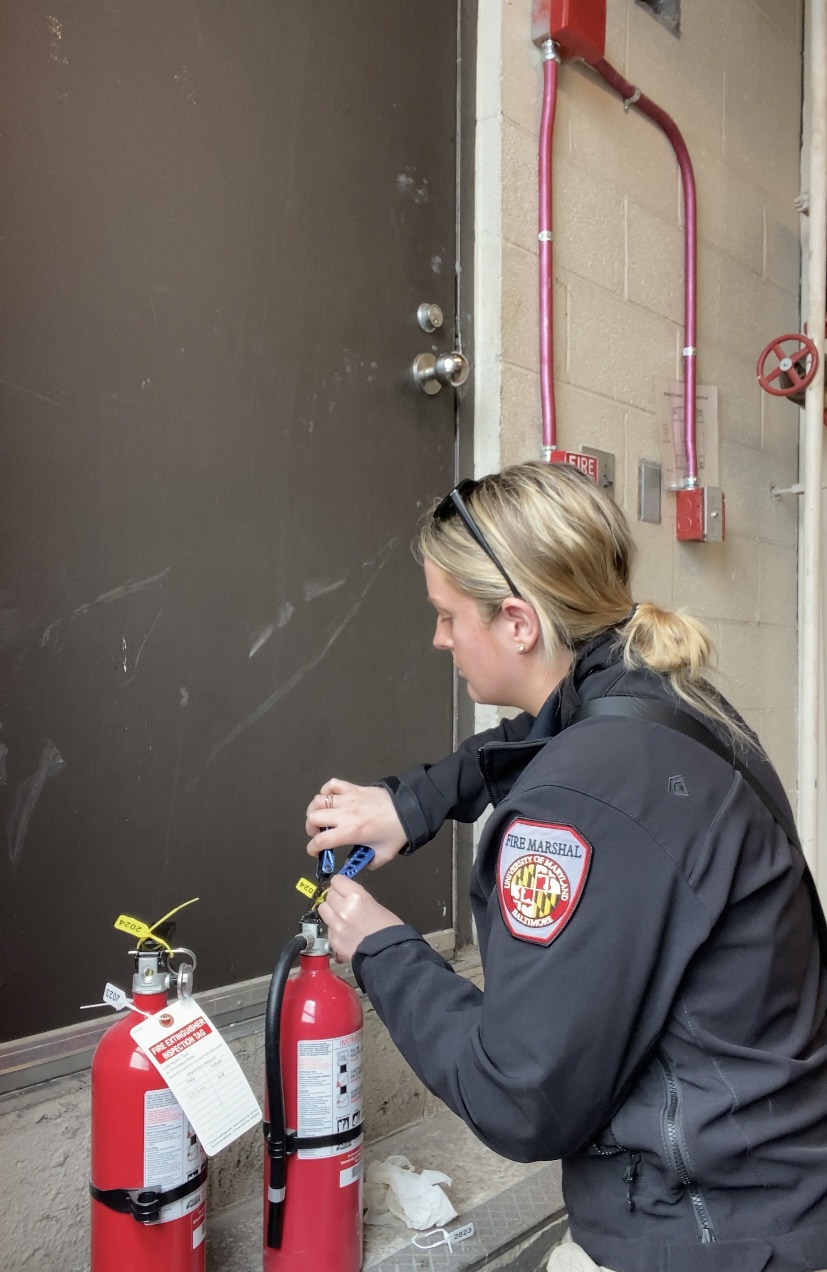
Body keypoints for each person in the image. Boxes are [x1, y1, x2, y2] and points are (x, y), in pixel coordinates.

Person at [305, 461, 827, 1272]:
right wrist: (411, 804)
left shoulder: (577, 804)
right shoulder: (664, 700)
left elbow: (521, 1097)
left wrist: (381, 949)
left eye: (446, 616)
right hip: (777, 1189)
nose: (438, 638)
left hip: (703, 1236)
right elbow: (538, 734)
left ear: (516, 622)